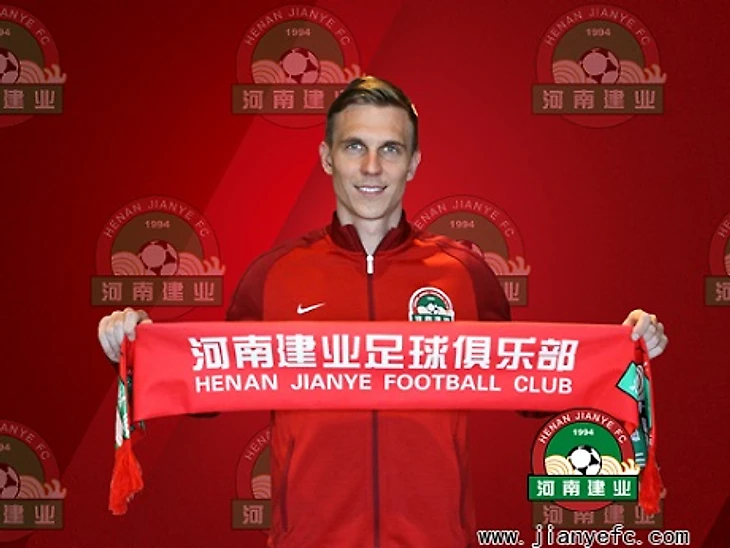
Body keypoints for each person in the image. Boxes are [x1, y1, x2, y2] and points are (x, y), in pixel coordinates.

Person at [98, 76, 668, 548]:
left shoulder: (464, 273)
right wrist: (137, 347)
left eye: (390, 149)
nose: (371, 166)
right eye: (355, 146)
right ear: (326, 157)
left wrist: (625, 349)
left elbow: (528, 386)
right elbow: (208, 388)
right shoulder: (273, 275)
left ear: (413, 162)